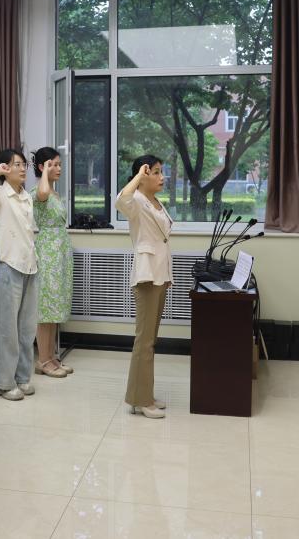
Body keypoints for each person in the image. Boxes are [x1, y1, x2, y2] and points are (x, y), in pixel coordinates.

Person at [116, 154, 173, 419]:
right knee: (144, 341)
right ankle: (140, 400)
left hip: (160, 274)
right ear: (144, 174)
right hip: (147, 276)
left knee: (150, 340)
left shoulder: (155, 202)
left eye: (162, 172)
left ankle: (143, 394)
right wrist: (139, 175)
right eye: (157, 172)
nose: (162, 177)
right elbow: (121, 200)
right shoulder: (137, 200)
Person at [0, 148, 39, 401]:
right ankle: (4, 383)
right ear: (5, 168)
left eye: (23, 164)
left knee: (26, 329)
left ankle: (22, 377)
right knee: (6, 329)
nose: (22, 168)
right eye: (16, 164)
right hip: (8, 265)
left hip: (30, 265)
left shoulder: (26, 197)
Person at [32, 146, 74, 378]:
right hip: (48, 252)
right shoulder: (39, 191)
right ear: (42, 167)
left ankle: (51, 357)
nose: (58, 168)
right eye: (53, 164)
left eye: (59, 164)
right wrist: (44, 174)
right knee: (45, 309)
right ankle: (42, 360)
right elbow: (42, 194)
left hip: (60, 252)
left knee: (55, 307)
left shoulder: (55, 193)